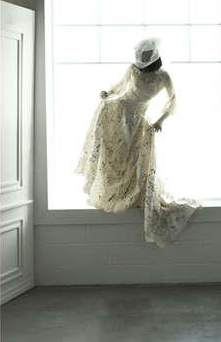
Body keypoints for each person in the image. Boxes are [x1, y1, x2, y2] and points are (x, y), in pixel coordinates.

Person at [74, 38, 200, 246]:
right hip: (117, 113)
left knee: (133, 160)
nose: (141, 63)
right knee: (113, 157)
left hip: (138, 120)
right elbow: (121, 86)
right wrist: (108, 93)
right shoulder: (134, 70)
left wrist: (160, 121)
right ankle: (112, 195)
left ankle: (130, 196)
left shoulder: (164, 77)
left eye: (144, 60)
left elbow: (173, 102)